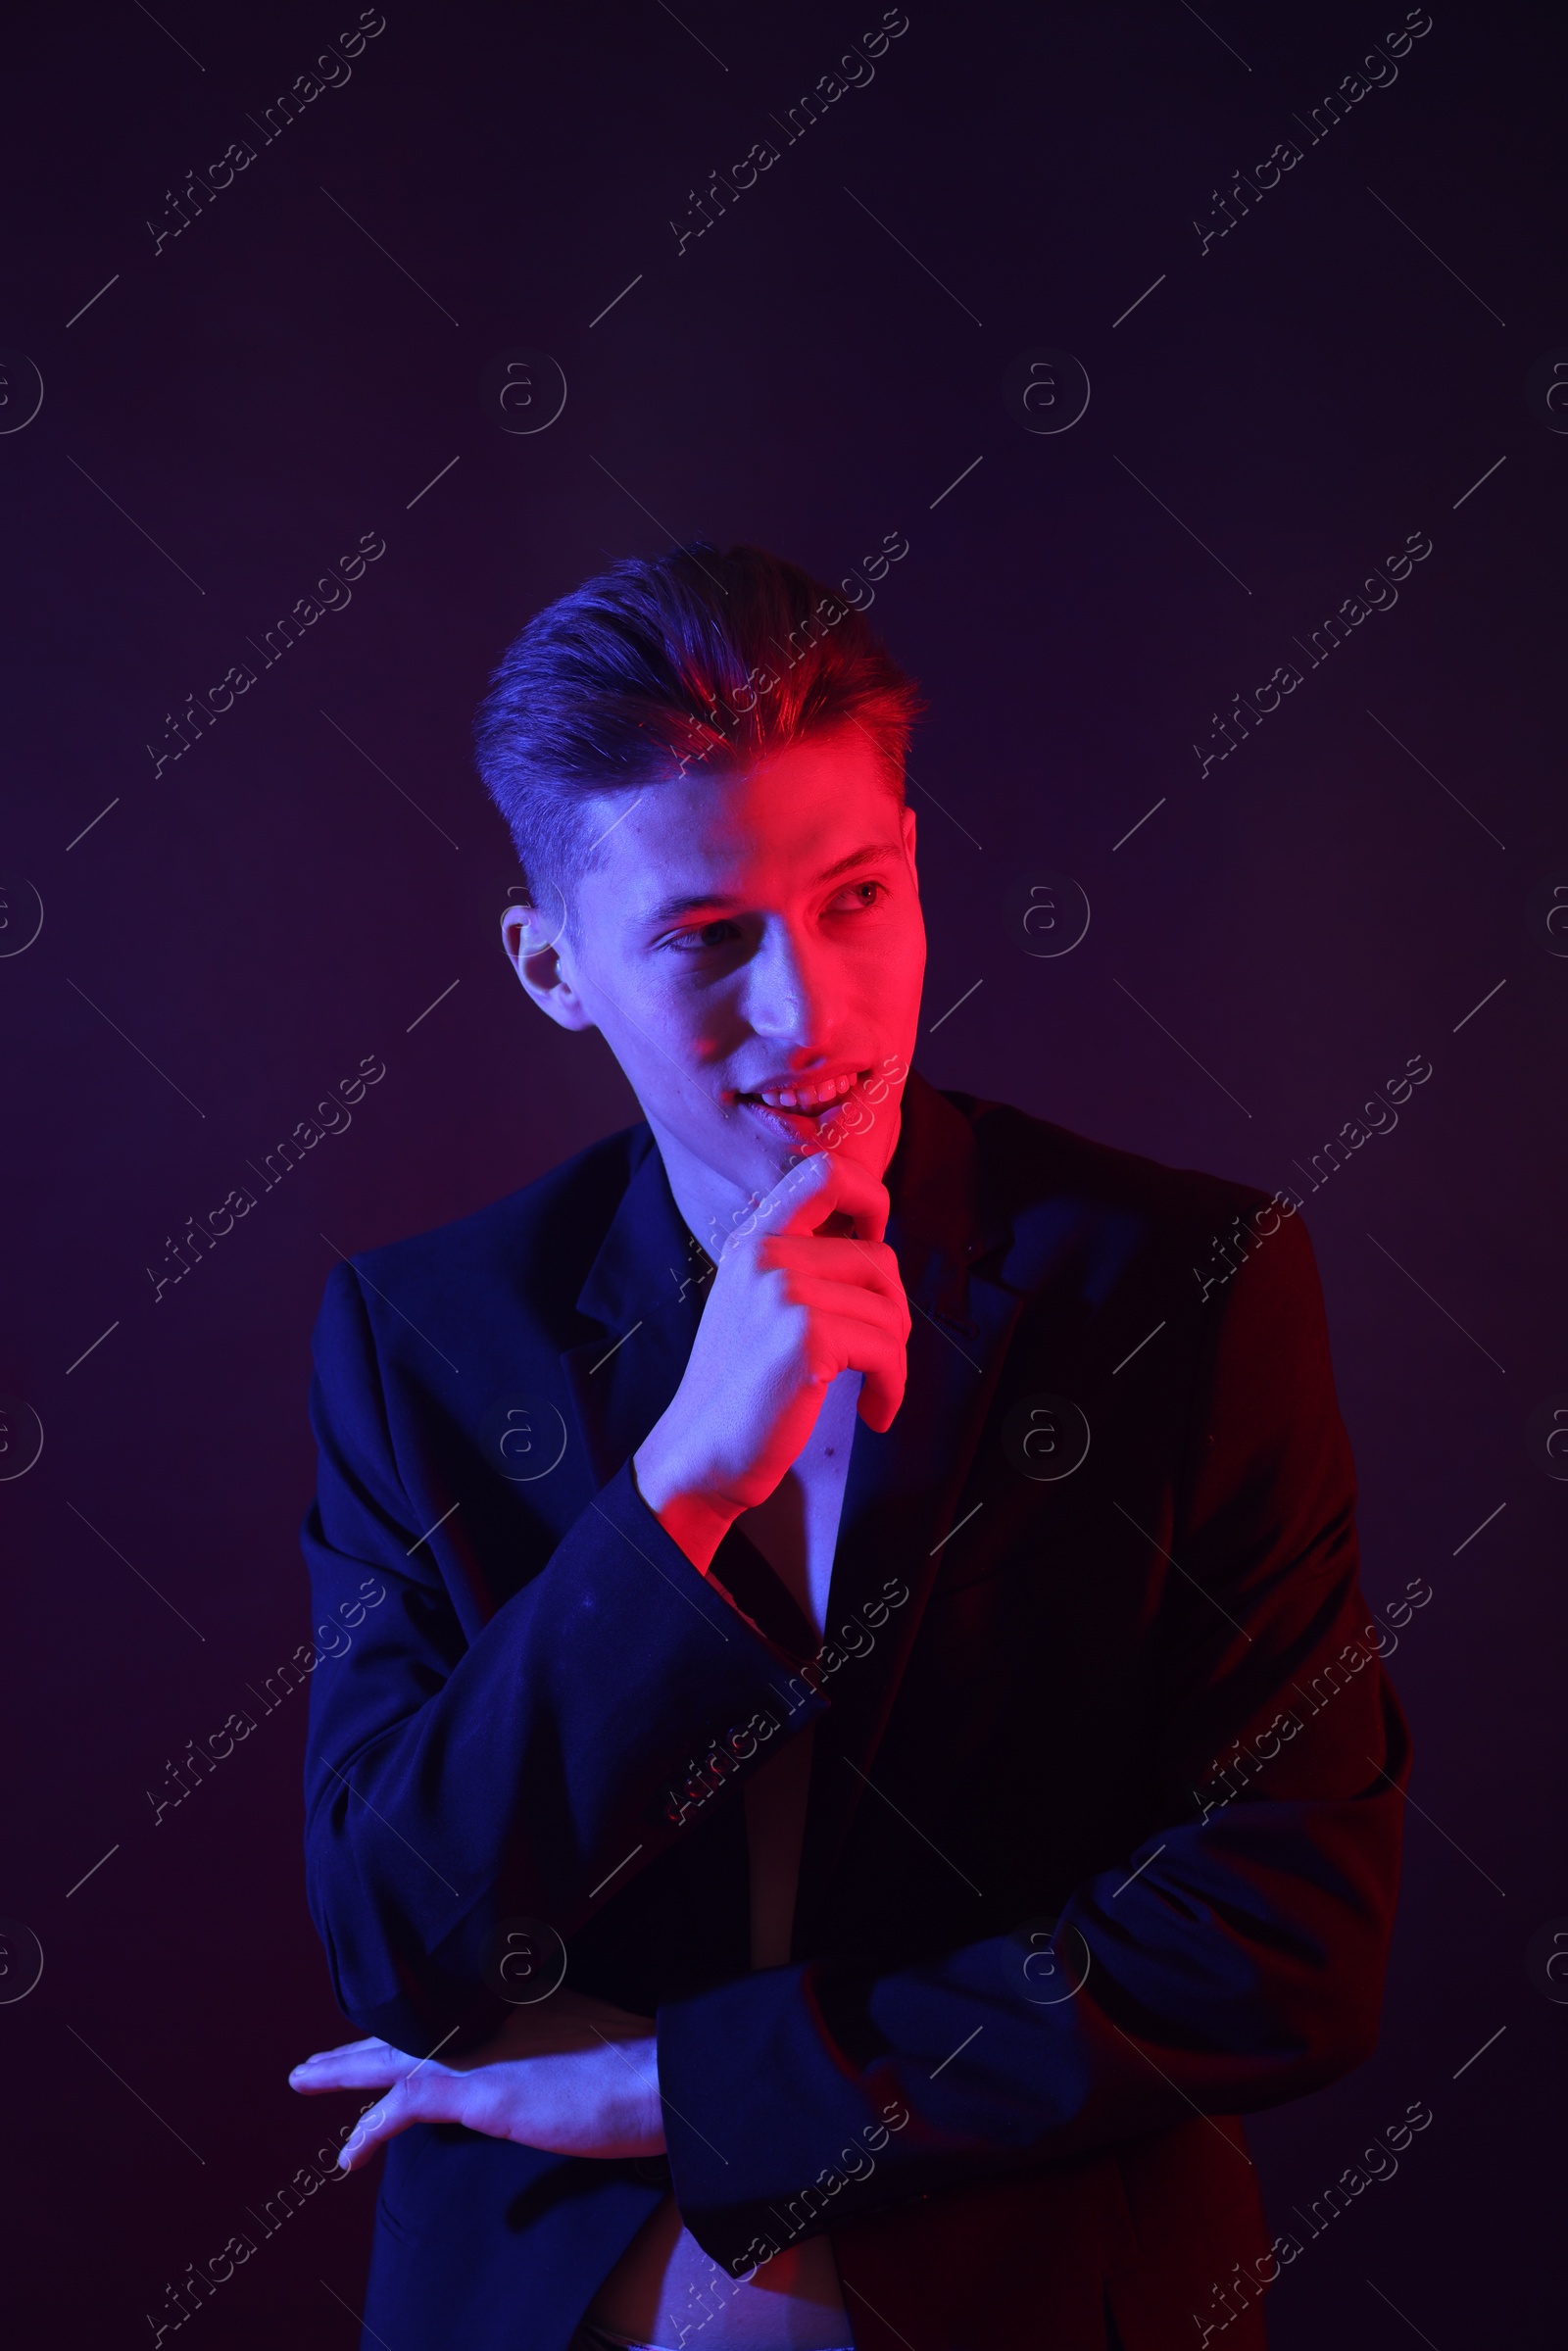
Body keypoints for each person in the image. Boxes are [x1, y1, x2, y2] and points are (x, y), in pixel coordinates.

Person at [288, 543, 1409, 2351]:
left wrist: (692, 2086)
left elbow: (1280, 1934)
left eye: (858, 897)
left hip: (1034, 2289)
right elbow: (401, 1943)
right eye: (708, 938)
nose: (809, 1015)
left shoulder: (1190, 1289)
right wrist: (680, 1497)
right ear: (551, 966)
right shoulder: (421, 1341)